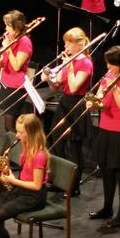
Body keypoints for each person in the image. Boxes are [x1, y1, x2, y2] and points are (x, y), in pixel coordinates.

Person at [87, 45, 120, 229]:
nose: (108, 68)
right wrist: (94, 103)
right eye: (107, 65)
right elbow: (101, 100)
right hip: (105, 130)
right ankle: (107, 208)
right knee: (107, 171)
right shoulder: (108, 77)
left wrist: (116, 86)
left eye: (111, 65)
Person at [42, 27, 93, 195]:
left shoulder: (85, 62)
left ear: (79, 45)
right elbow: (56, 87)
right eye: (65, 43)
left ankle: (74, 185)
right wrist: (49, 79)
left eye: (68, 43)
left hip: (77, 105)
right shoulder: (70, 60)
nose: (65, 47)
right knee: (56, 141)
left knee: (73, 148)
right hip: (64, 103)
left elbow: (74, 86)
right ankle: (59, 181)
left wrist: (70, 66)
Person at [0, 10, 32, 132]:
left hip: (16, 86)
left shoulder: (25, 42)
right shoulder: (10, 37)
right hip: (6, 83)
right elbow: (6, 61)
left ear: (17, 26)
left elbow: (17, 66)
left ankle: (16, 150)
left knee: (10, 125)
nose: (6, 28)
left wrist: (9, 49)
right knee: (7, 125)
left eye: (8, 25)